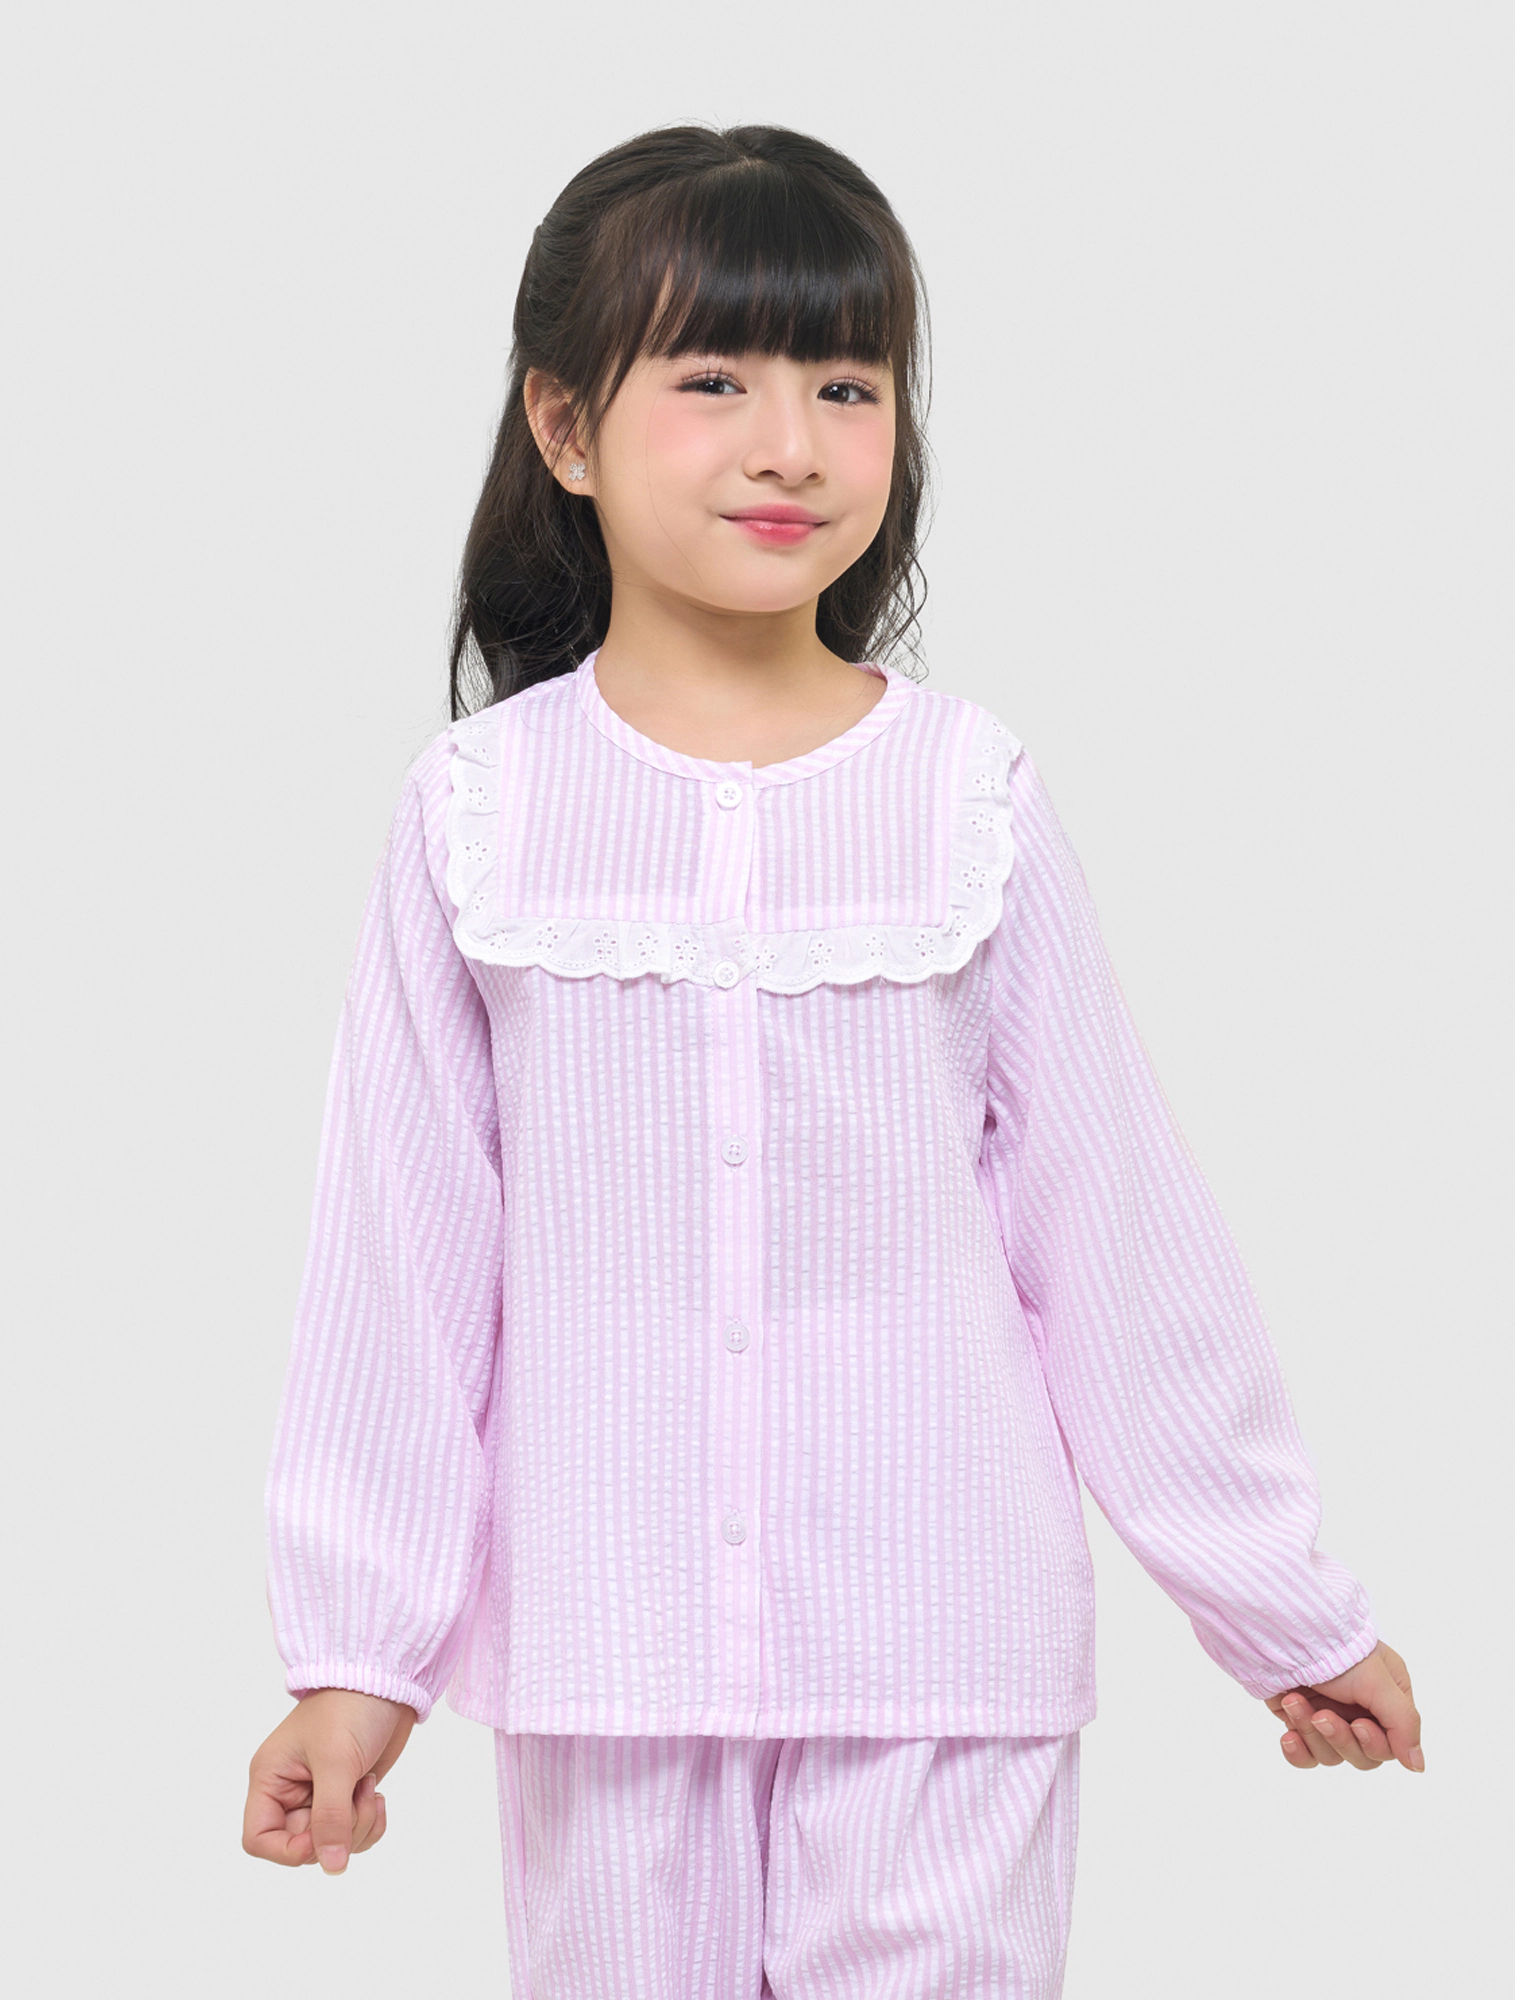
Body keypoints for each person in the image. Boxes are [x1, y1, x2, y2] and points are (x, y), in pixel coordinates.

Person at [242, 123, 1422, 1998]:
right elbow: (400, 1259)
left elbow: (1115, 1231)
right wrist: (357, 1659)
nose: (790, 443)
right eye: (713, 379)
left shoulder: (969, 796)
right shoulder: (477, 811)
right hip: (609, 1661)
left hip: (947, 1648)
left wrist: (1277, 1604)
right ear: (565, 427)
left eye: (847, 385)